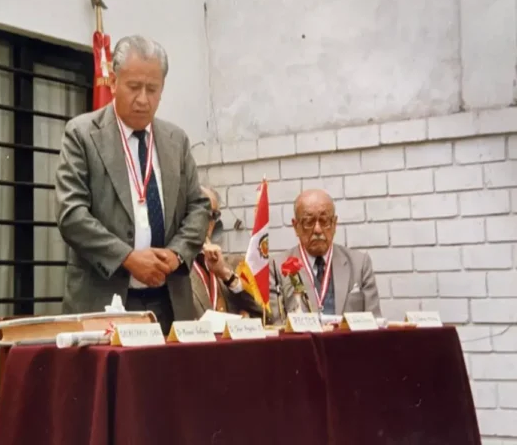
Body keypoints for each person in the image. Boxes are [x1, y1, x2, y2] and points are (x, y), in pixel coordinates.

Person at [55, 35, 209, 333]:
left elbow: (198, 207)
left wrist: (176, 253)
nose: (143, 99)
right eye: (134, 87)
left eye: (152, 89)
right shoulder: (82, 134)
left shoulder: (176, 140)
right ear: (113, 81)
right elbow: (71, 214)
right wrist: (127, 257)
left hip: (170, 301)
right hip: (104, 299)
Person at [268, 188, 381, 324]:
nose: (317, 230)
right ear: (295, 226)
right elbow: (275, 327)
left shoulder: (360, 264)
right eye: (309, 222)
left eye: (324, 220)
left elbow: (376, 325)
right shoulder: (276, 268)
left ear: (334, 224)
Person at [191, 186, 264, 319]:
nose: (210, 221)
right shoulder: (177, 270)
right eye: (204, 212)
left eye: (214, 215)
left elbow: (264, 313)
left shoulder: (233, 265)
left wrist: (226, 275)